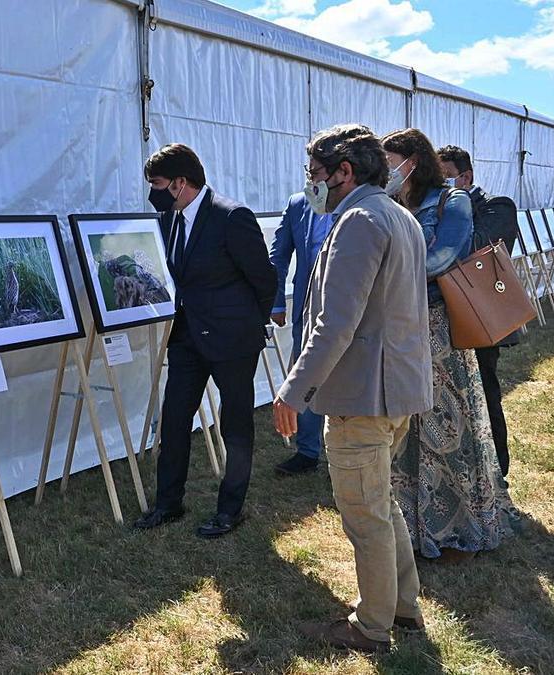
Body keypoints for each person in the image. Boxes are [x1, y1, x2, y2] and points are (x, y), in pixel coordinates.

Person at [273, 124, 431, 653]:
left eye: (315, 175)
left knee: (366, 517)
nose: (310, 185)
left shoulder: (360, 220)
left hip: (366, 396)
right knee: (381, 505)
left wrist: (293, 391)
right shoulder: (394, 215)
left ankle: (371, 627)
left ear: (345, 172)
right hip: (389, 392)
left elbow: (335, 323)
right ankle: (402, 607)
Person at [383, 129, 516, 563]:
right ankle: (414, 524)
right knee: (408, 424)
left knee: (446, 422)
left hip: (436, 326)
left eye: (393, 161)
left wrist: (387, 277)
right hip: (402, 323)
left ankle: (458, 526)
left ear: (413, 161)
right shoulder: (394, 202)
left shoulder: (451, 201)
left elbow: (444, 257)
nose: (388, 169)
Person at [134, 143, 277, 538]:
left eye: (158, 184)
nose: (153, 193)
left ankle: (230, 509)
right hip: (187, 340)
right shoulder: (170, 221)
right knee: (175, 419)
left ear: (180, 183)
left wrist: (247, 325)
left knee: (235, 426)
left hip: (233, 342)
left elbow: (264, 280)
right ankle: (168, 503)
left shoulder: (231, 218)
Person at [437, 145, 520, 477]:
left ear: (465, 177)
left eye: (445, 179)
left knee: (485, 396)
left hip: (480, 321)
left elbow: (469, 247)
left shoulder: (496, 207)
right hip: (447, 319)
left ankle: (498, 472)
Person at [269, 193, 333, 474]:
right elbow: (278, 254)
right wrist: (277, 300)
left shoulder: (358, 202)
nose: (312, 176)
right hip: (307, 307)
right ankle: (308, 451)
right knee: (305, 374)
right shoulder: (298, 203)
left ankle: (350, 451)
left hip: (352, 306)